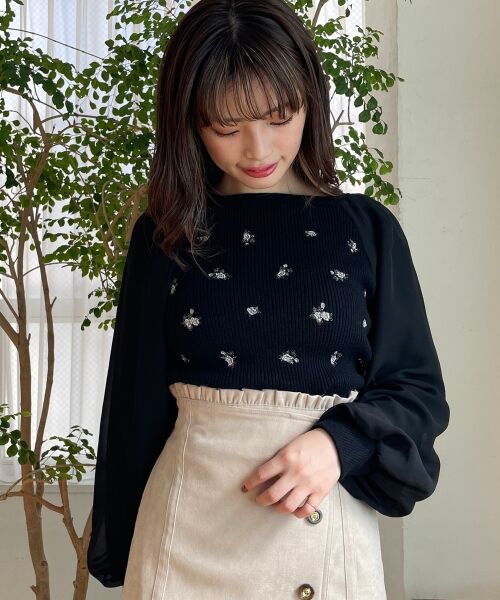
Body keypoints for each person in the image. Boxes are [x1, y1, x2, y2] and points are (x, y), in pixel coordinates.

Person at [87, 0, 450, 598]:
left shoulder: (365, 229)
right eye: (226, 128)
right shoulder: (166, 235)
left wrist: (339, 443)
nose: (257, 149)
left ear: (311, 100)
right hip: (187, 533)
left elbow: (416, 388)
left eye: (280, 117)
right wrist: (122, 546)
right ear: (189, 123)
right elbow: (134, 404)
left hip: (320, 524)